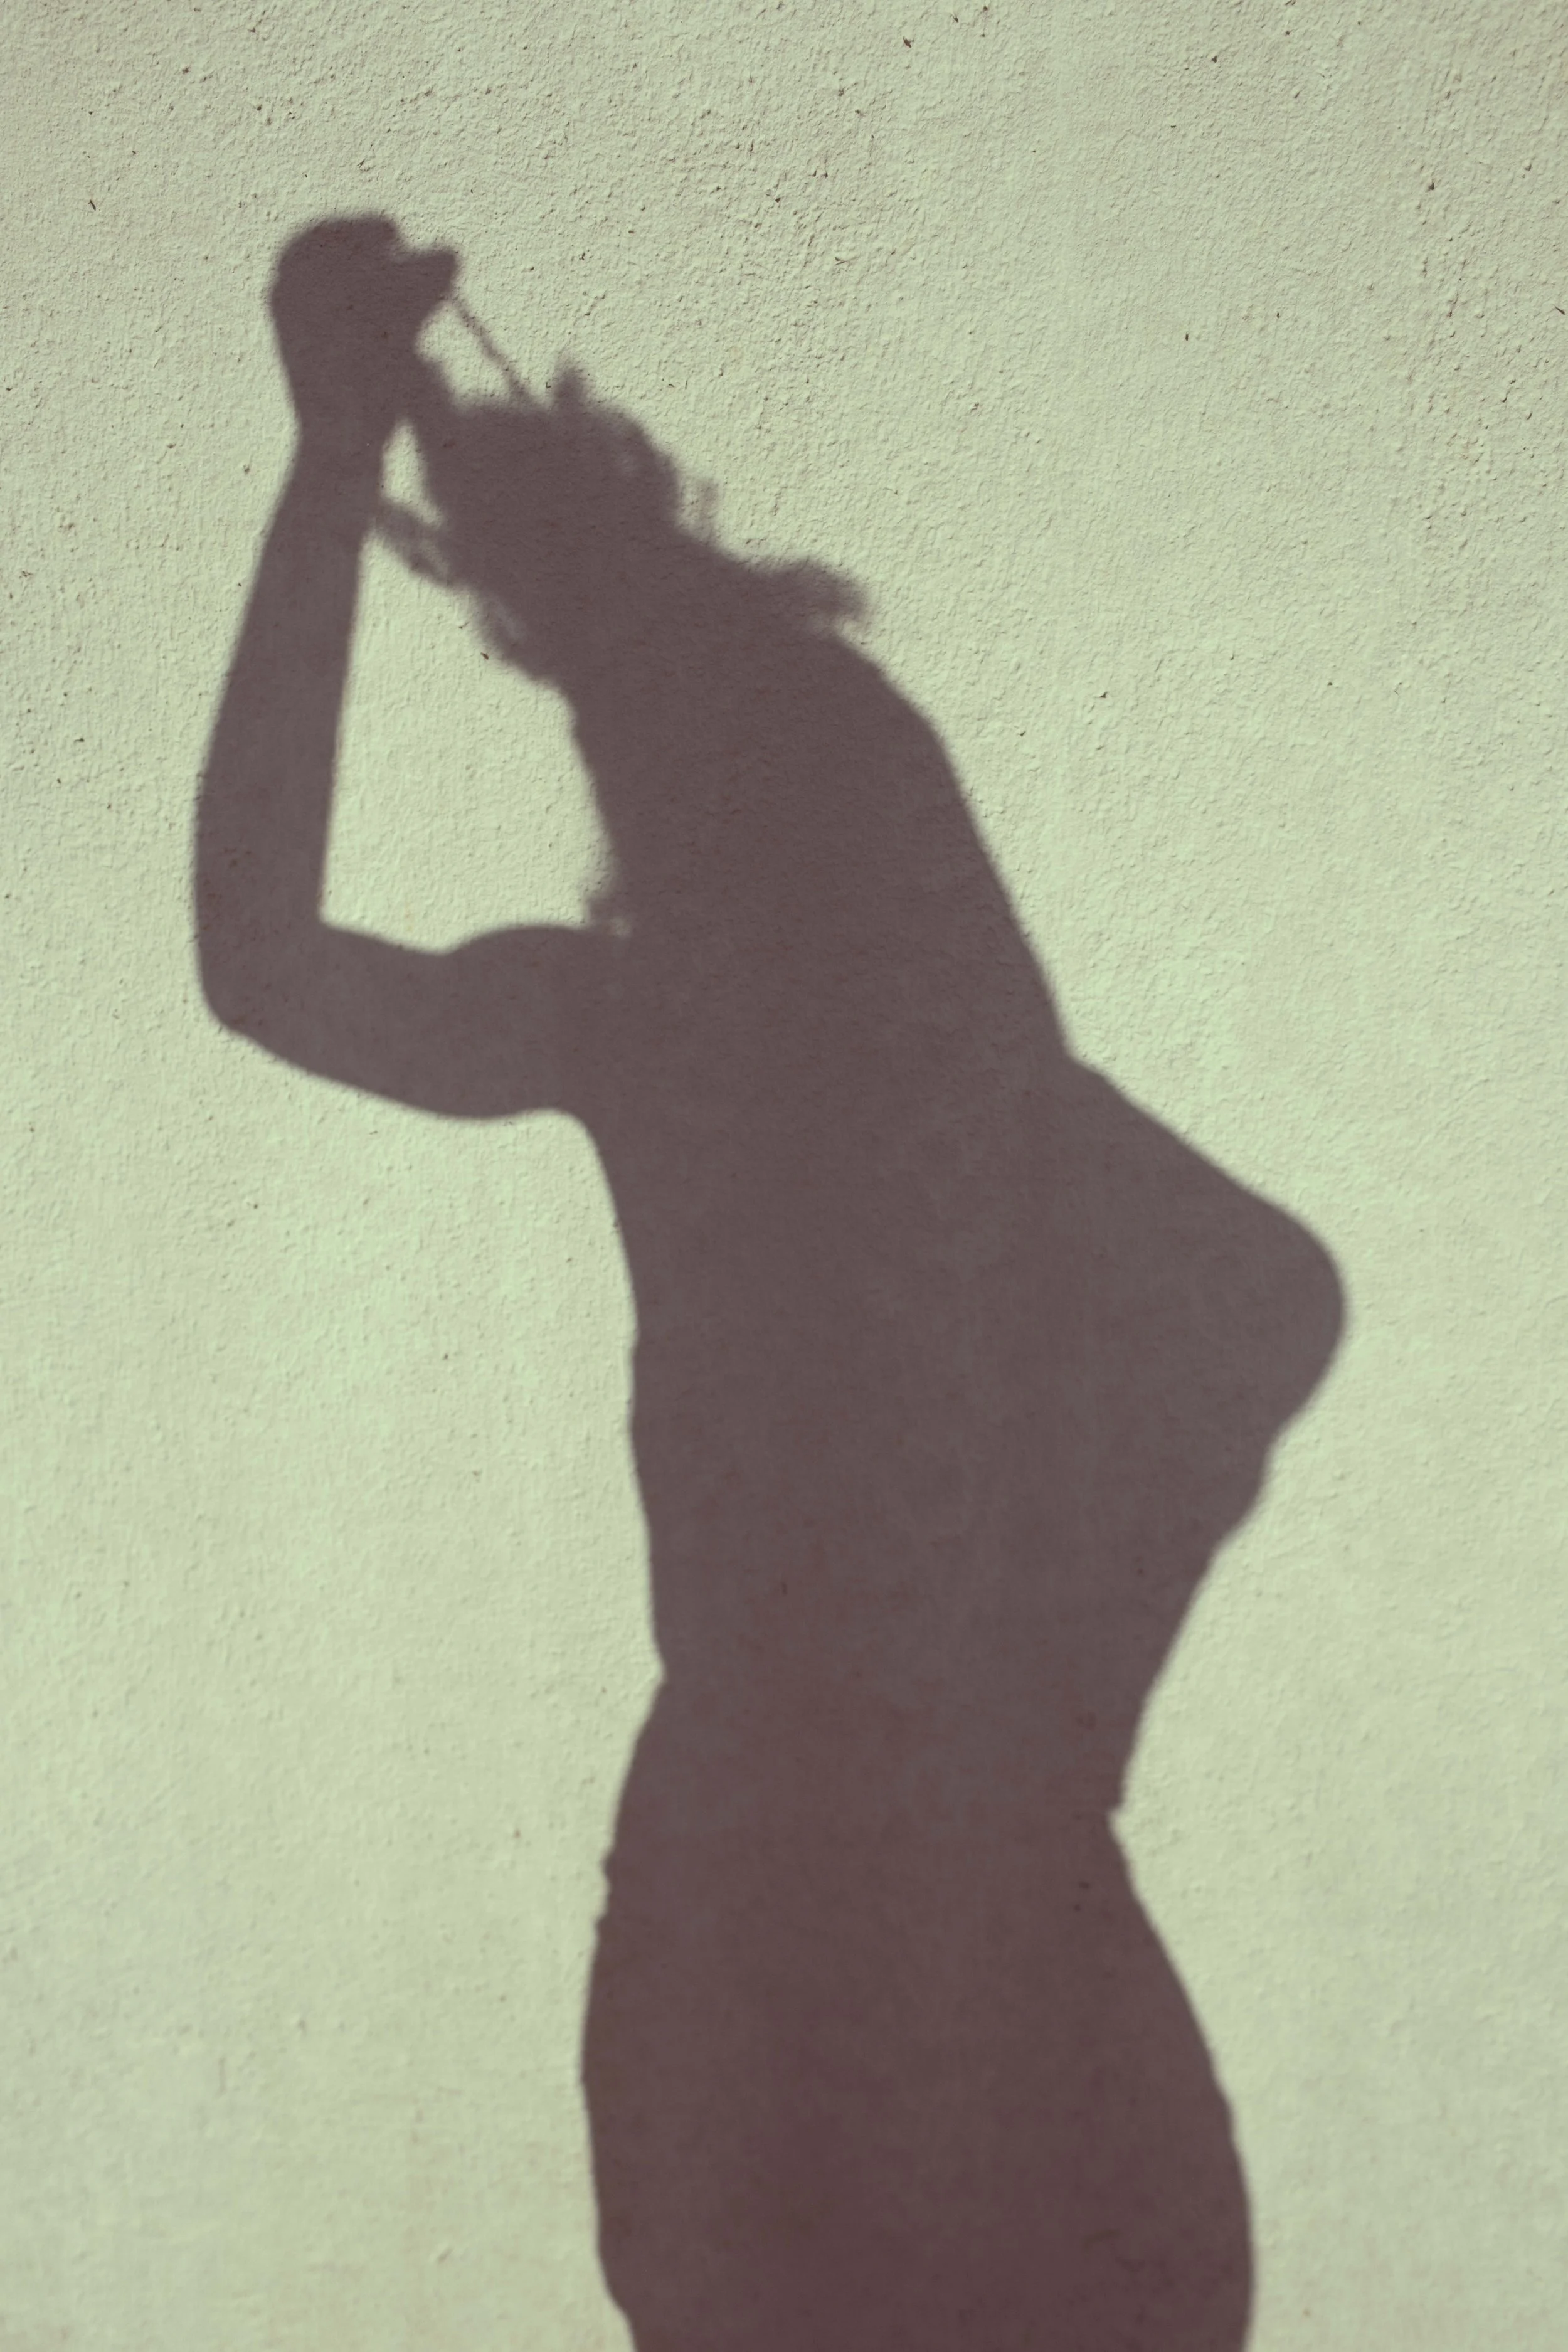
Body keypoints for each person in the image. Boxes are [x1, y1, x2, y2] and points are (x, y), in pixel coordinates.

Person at [197, 215, 1342, 2351]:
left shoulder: (709, 1041)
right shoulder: (824, 1063)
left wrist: (351, 444)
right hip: (915, 1904)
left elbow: (264, 960)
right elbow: (1275, 1297)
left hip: (844, 1907)